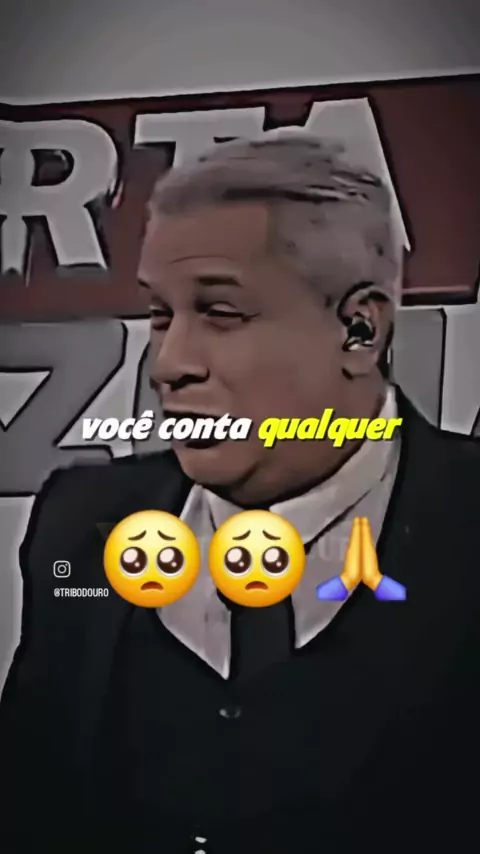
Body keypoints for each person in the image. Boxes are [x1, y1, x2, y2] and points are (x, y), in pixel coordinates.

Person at [1, 133, 479, 854]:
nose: (168, 365)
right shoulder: (80, 527)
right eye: (161, 314)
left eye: (221, 313)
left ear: (360, 329)